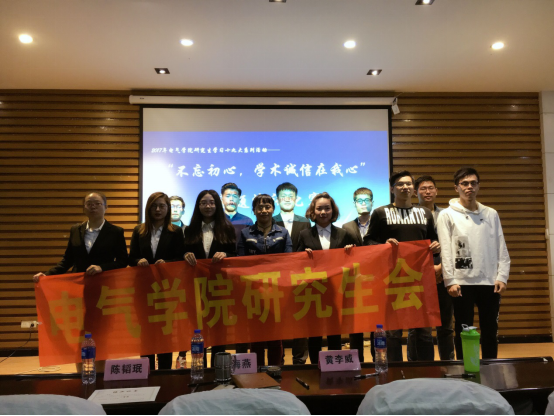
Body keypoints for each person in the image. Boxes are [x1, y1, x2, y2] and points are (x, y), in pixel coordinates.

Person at [363, 171, 440, 362]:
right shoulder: (380, 213)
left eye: (408, 184)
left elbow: (434, 240)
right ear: (392, 189)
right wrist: (384, 245)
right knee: (392, 332)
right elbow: (368, 242)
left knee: (424, 331)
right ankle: (394, 374)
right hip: (391, 280)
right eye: (400, 184)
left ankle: (425, 372)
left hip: (419, 280)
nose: (405, 187)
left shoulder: (425, 213)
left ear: (413, 189)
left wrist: (436, 246)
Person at [437, 167, 509, 359]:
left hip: (489, 281)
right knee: (464, 330)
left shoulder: (491, 213)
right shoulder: (447, 215)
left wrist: (502, 276)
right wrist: (450, 280)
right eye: (465, 183)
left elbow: (501, 245)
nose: (469, 187)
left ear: (478, 186)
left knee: (490, 330)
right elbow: (446, 250)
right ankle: (465, 368)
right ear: (456, 188)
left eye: (473, 183)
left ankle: (491, 367)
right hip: (462, 282)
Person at [129, 192, 186, 370]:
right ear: (148, 208)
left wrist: (167, 263)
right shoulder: (139, 230)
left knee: (165, 332)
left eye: (162, 206)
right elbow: (131, 258)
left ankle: (164, 372)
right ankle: (146, 371)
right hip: (144, 289)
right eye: (154, 206)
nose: (158, 209)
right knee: (145, 332)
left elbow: (180, 258)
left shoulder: (176, 231)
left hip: (166, 289)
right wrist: (138, 260)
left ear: (167, 209)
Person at [297, 192, 356, 365]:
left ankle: (334, 364)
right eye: (319, 209)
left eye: (327, 208)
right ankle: (315, 366)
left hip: (336, 289)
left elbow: (356, 257)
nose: (323, 212)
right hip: (313, 289)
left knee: (334, 330)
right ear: (313, 211)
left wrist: (350, 250)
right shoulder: (304, 234)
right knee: (314, 331)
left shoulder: (343, 233)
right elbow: (295, 261)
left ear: (333, 211)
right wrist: (302, 255)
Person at [183, 190, 237, 367]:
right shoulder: (189, 230)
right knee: (198, 330)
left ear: (217, 205)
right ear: (198, 206)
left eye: (212, 202)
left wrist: (226, 255)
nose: (208, 206)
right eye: (203, 203)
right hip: (196, 287)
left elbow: (236, 256)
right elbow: (181, 254)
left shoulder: (227, 228)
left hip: (219, 287)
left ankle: (218, 370)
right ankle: (200, 369)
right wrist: (185, 255)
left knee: (219, 330)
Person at [238, 194, 292, 366]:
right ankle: (257, 372)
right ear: (253, 211)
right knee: (256, 337)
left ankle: (275, 372)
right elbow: (241, 263)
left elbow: (289, 260)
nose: (263, 210)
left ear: (273, 209)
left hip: (277, 290)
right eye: (259, 207)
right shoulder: (245, 233)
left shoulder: (283, 232)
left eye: (267, 207)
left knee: (276, 335)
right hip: (253, 291)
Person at [32, 191, 128, 282]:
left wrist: (102, 268)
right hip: (79, 282)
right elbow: (67, 260)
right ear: (84, 208)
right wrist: (47, 275)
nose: (93, 206)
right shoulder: (75, 230)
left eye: (97, 203)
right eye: (89, 204)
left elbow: (123, 261)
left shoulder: (116, 232)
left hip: (104, 282)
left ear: (106, 207)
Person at [412, 175, 455, 361]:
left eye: (431, 188)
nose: (427, 192)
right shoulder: (410, 215)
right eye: (423, 188)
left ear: (437, 191)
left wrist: (442, 267)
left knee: (445, 325)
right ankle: (418, 365)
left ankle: (448, 364)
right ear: (415, 193)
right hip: (417, 275)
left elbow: (455, 244)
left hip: (444, 274)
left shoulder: (448, 214)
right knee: (419, 327)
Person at [272, 182, 311, 364]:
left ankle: (300, 360)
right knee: (277, 318)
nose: (287, 199)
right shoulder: (271, 220)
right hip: (277, 277)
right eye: (283, 196)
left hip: (299, 276)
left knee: (300, 317)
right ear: (277, 199)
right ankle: (277, 360)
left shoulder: (305, 221)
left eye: (290, 196)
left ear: (296, 199)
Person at [341, 187, 373, 362]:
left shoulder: (380, 224)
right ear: (354, 204)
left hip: (375, 279)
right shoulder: (346, 227)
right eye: (359, 201)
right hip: (355, 281)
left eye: (366, 200)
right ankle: (357, 360)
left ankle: (377, 358)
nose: (363, 203)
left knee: (377, 322)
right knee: (356, 323)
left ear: (372, 202)